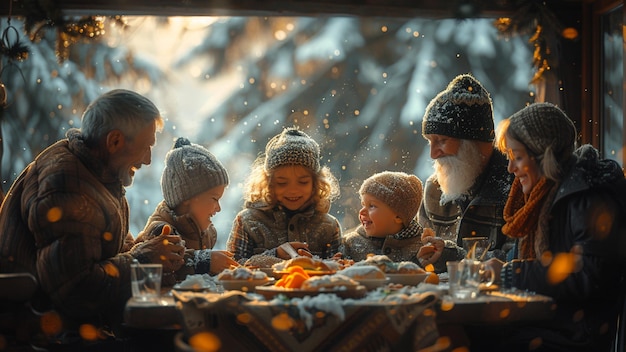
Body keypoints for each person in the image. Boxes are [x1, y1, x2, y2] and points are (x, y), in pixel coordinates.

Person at [0, 89, 186, 347]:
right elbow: (74, 290)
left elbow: (109, 252)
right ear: (115, 141)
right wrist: (142, 259)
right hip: (47, 336)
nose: (148, 160)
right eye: (145, 148)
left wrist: (152, 248)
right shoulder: (66, 183)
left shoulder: (98, 174)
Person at [469, 102, 626, 351]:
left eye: (517, 157)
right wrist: (478, 263)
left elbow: (588, 275)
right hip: (546, 322)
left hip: (573, 335)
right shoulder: (547, 194)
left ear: (543, 155)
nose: (511, 169)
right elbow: (519, 258)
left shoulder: (586, 196)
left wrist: (510, 274)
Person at [416, 73, 515, 273]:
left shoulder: (515, 188)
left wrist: (453, 256)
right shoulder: (435, 189)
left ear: (474, 143)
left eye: (442, 141)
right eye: (430, 141)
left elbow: (517, 261)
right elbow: (420, 252)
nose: (433, 154)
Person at [227, 127, 341, 262]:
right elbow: (231, 266)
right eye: (282, 183)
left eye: (303, 182)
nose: (293, 190)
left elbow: (339, 268)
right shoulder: (248, 222)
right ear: (268, 183)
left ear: (316, 183)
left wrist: (325, 264)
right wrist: (274, 255)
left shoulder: (328, 226)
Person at [135, 137, 239, 281]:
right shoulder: (161, 231)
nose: (219, 208)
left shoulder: (206, 234)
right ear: (187, 199)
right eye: (214, 199)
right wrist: (205, 262)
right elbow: (164, 271)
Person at [342, 171, 426, 263]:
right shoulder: (350, 244)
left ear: (398, 216)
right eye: (363, 205)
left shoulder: (420, 247)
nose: (362, 211)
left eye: (372, 206)